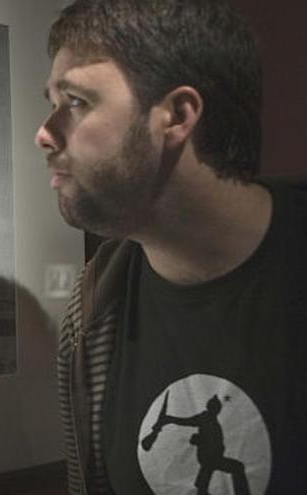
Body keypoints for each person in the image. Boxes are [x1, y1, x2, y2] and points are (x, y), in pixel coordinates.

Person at [35, 0, 305, 493]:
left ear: (177, 115)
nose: (45, 133)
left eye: (75, 101)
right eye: (50, 103)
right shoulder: (95, 302)